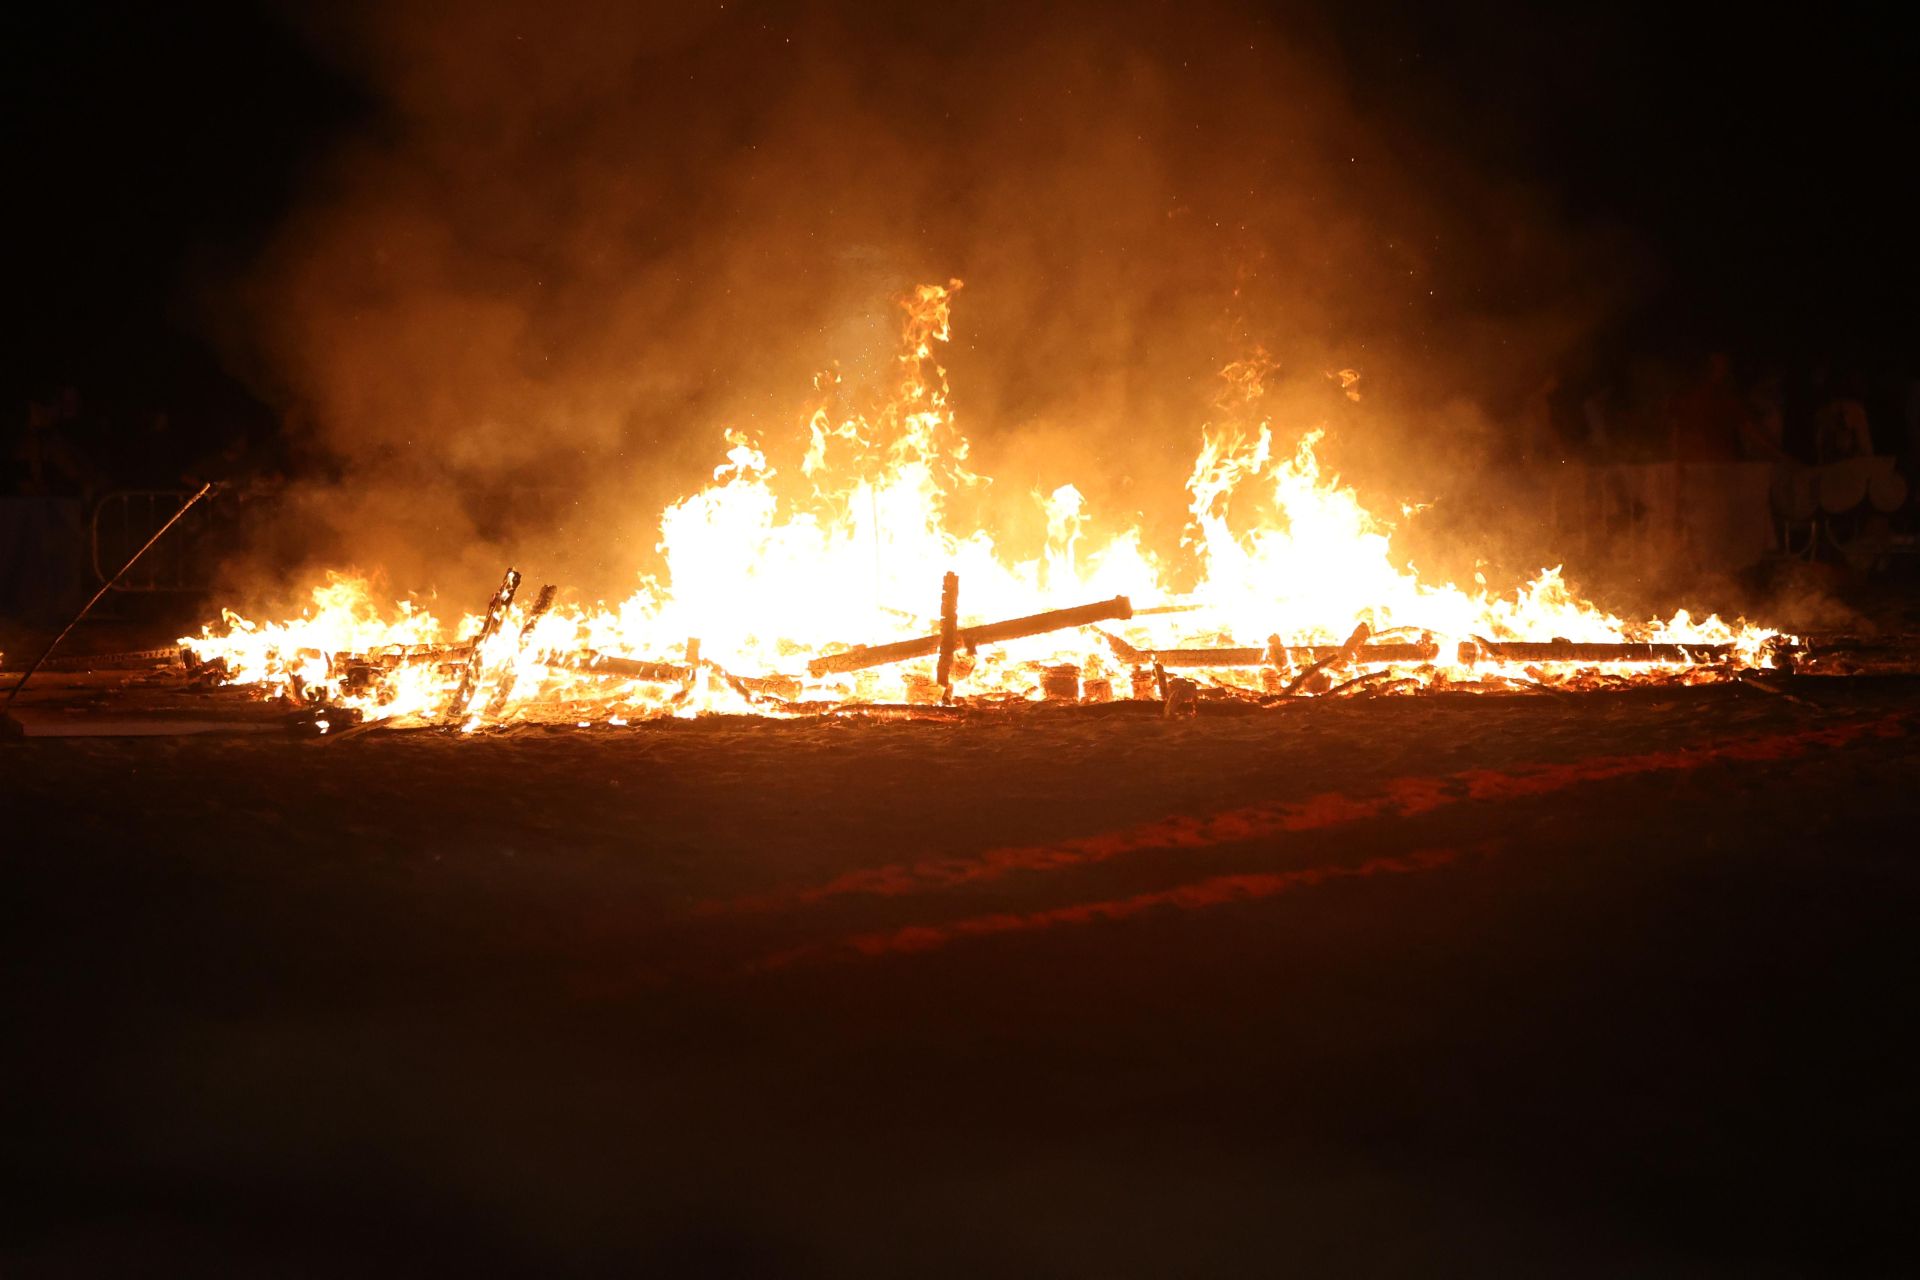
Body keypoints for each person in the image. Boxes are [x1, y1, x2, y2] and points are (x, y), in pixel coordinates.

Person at [1667, 352, 1747, 463]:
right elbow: (1676, 429)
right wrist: (1677, 460)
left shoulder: (1726, 396)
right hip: (1698, 461)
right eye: (1722, 365)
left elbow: (1747, 427)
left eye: (1726, 365)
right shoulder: (1689, 395)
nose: (1726, 370)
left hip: (1720, 461)